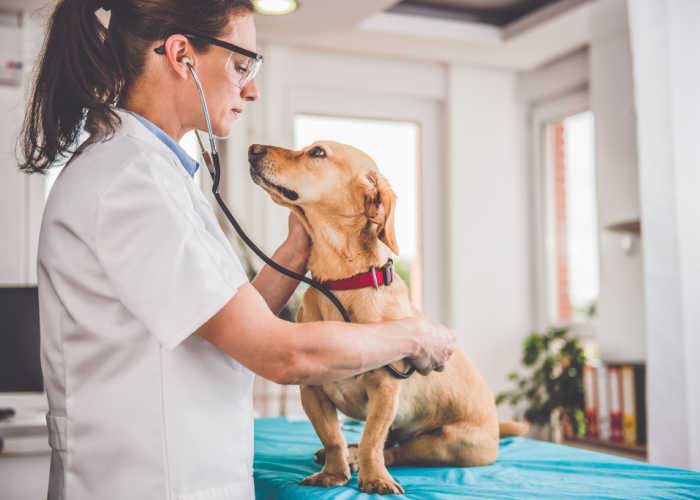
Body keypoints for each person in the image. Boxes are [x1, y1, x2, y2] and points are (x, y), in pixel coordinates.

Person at [18, 1, 456, 498]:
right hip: (151, 481)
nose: (252, 89)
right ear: (182, 54)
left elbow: (221, 325)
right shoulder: (130, 184)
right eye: (241, 65)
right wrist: (414, 335)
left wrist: (296, 250)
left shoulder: (152, 176)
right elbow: (279, 354)